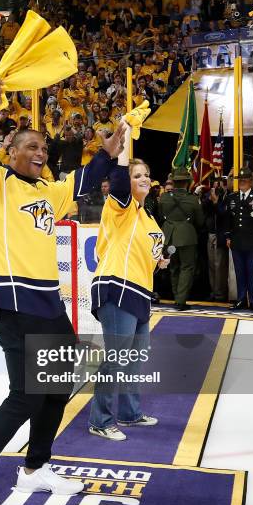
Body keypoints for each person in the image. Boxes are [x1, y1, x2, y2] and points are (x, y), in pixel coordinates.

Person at [0, 79, 125, 505]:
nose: (39, 151)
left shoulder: (49, 190)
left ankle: (35, 466)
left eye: (43, 146)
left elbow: (88, 177)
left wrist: (108, 149)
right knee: (26, 394)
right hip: (13, 304)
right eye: (30, 145)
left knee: (58, 389)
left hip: (50, 307)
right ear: (11, 152)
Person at [88, 121, 168, 441]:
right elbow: (119, 184)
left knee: (134, 358)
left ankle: (130, 413)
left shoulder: (148, 218)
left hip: (139, 291)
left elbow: (148, 258)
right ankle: (100, 419)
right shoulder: (121, 206)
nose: (144, 178)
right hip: (116, 286)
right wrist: (123, 154)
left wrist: (159, 261)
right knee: (117, 357)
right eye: (138, 175)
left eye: (146, 174)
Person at [158, 167, 205, 311]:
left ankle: (177, 298)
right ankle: (180, 300)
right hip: (186, 238)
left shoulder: (165, 197)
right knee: (187, 267)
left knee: (174, 267)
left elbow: (160, 216)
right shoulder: (193, 200)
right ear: (187, 182)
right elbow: (200, 221)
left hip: (169, 237)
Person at [225, 166, 253, 311]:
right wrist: (228, 237)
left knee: (251, 272)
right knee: (239, 272)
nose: (242, 182)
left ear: (251, 181)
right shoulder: (233, 197)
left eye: (245, 179)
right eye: (241, 180)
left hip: (252, 241)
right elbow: (228, 220)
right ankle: (241, 300)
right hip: (236, 240)